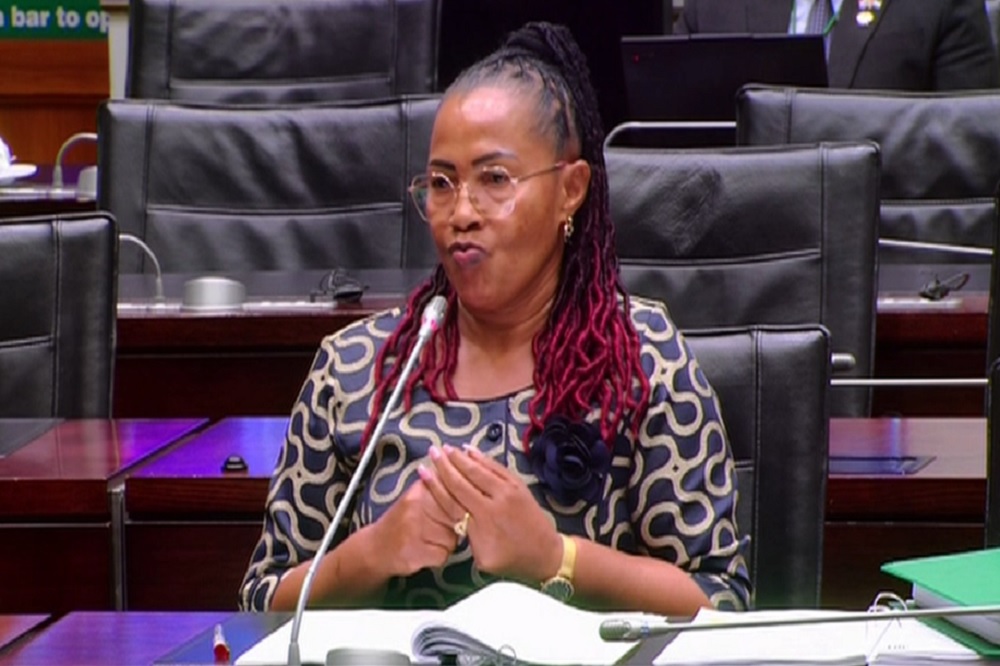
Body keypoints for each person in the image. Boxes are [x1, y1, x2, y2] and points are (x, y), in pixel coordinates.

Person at [239, 21, 751, 616]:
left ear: (571, 190)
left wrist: (556, 557)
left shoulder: (643, 356)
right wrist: (370, 554)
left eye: (494, 180)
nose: (462, 212)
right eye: (441, 183)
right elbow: (262, 603)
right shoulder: (355, 369)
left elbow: (720, 600)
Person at [676, 0, 999, 91]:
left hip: (879, 226)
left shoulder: (940, 6)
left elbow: (967, 158)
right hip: (746, 226)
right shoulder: (713, 6)